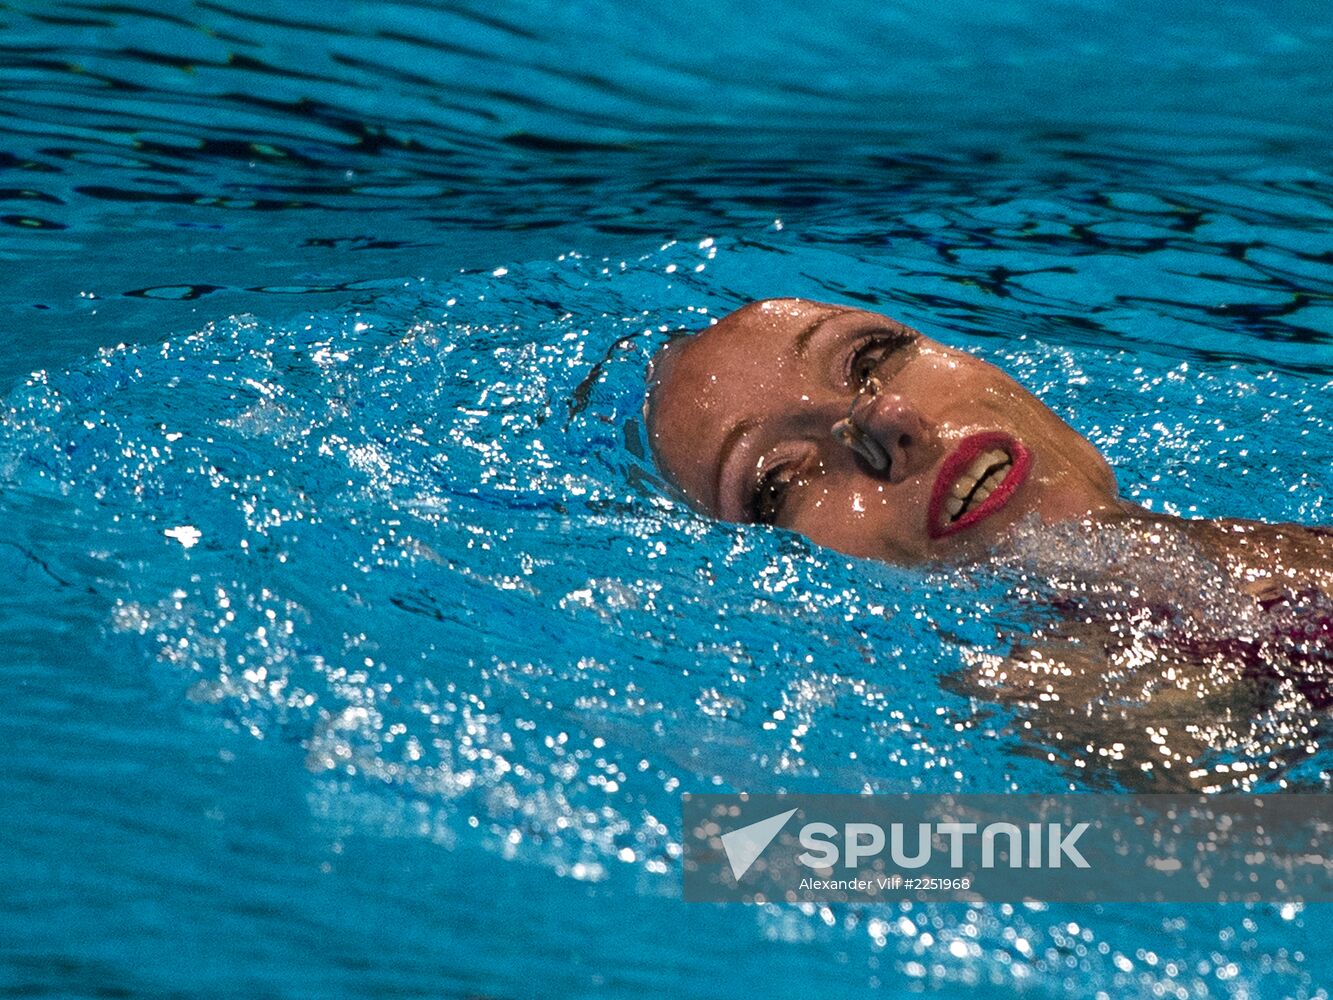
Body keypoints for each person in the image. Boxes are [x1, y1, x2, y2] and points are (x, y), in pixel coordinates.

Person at [646, 297, 1332, 789]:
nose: (885, 415)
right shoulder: (1105, 694)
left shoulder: (1266, 551)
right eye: (780, 481)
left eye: (869, 358)